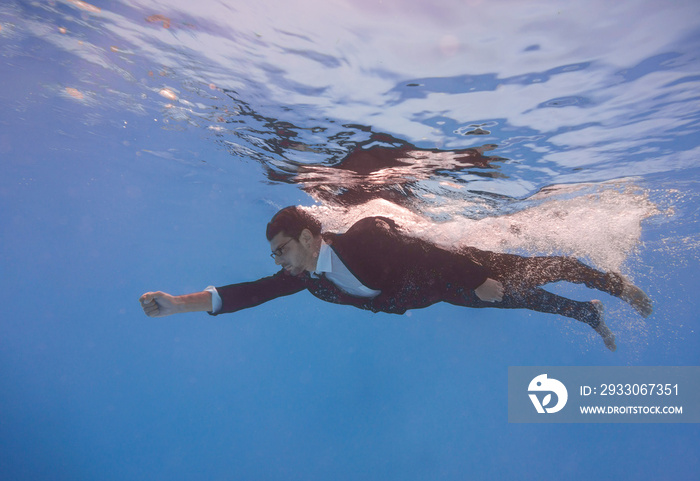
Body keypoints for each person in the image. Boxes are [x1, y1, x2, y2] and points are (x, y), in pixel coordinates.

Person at [140, 206, 653, 351]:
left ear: (308, 235)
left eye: (282, 250)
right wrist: (178, 304)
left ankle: (612, 284)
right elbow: (253, 292)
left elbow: (419, 246)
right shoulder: (307, 279)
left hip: (455, 267)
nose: (279, 262)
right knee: (528, 302)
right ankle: (589, 314)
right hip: (439, 292)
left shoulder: (363, 234)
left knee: (540, 271)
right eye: (274, 255)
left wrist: (474, 275)